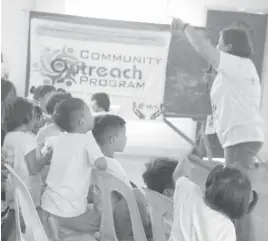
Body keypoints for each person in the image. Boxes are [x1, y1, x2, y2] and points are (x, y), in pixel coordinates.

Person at [171, 19, 264, 241]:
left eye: (220, 42)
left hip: (242, 139)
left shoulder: (239, 64)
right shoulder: (232, 71)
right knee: (236, 196)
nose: (217, 46)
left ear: (229, 47)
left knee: (237, 198)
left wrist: (185, 27)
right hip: (237, 139)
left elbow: (204, 48)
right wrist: (213, 82)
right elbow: (229, 99)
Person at [40, 98, 107, 241]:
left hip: (48, 203)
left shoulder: (60, 138)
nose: (92, 115)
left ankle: (58, 229)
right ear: (81, 122)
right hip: (71, 211)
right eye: (89, 112)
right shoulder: (87, 140)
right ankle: (65, 230)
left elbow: (47, 150)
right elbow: (102, 164)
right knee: (103, 219)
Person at [169, 156, 258, 241]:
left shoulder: (188, 191)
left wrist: (185, 158)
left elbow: (179, 173)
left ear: (210, 180)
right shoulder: (226, 227)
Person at [2, 97, 53, 241]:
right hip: (27, 189)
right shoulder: (28, 139)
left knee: (13, 215)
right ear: (27, 117)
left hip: (13, 186)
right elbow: (34, 168)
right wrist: (48, 155)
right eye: (34, 116)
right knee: (27, 221)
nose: (36, 120)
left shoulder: (9, 136)